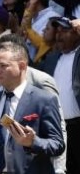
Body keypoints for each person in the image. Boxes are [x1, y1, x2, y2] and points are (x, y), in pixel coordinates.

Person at [0, 40, 65, 173]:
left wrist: (33, 142)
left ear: (21, 66)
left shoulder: (44, 100)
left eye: (3, 66)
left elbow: (58, 144)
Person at [39, 16, 80, 173]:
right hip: (57, 128)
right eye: (58, 31)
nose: (59, 35)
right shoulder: (52, 59)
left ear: (77, 33)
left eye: (66, 31)